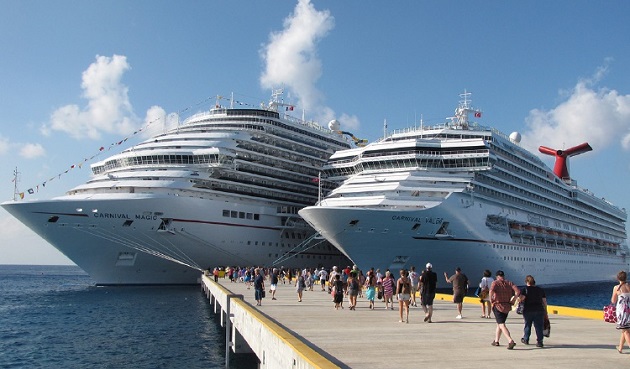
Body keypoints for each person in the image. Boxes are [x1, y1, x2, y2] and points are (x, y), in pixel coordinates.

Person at [489, 270, 520, 349]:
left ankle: (510, 341)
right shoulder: (509, 283)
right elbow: (518, 291)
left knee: (501, 324)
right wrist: (514, 300)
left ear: (497, 276)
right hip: (507, 306)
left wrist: (491, 300)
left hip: (498, 306)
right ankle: (496, 341)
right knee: (499, 323)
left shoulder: (495, 283)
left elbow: (491, 291)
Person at [519, 275, 547, 348]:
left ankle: (526, 339)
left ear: (527, 282)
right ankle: (540, 341)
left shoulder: (525, 289)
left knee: (528, 325)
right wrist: (545, 311)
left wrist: (518, 299)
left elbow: (522, 298)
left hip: (528, 310)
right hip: (539, 309)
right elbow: (544, 301)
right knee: (539, 326)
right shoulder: (540, 290)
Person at [611, 270, 630, 353]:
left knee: (625, 331)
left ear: (617, 278)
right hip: (629, 310)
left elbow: (613, 301)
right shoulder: (629, 286)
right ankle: (620, 348)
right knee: (625, 330)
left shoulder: (616, 288)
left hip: (622, 312)